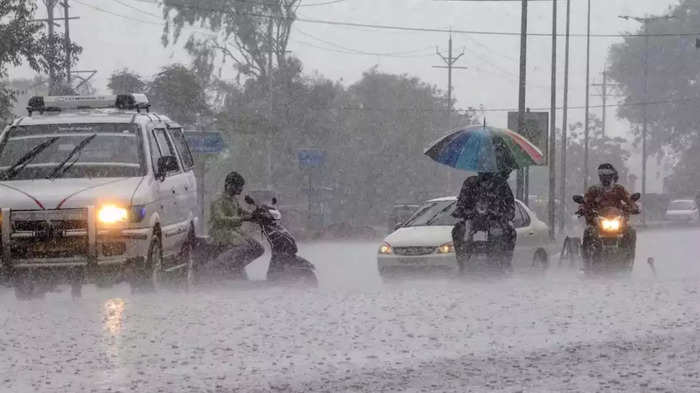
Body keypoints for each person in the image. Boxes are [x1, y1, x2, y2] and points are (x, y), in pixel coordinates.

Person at [451, 168, 516, 272]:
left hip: (495, 222)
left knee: (510, 232)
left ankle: (505, 262)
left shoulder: (501, 185)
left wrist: (502, 216)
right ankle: (462, 262)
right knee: (458, 230)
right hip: (472, 221)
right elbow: (461, 204)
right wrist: (466, 213)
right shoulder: (470, 183)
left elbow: (510, 207)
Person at [206, 171, 264, 278]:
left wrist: (256, 214)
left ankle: (235, 267)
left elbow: (241, 211)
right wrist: (242, 219)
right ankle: (216, 267)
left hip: (233, 231)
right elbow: (220, 219)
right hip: (220, 231)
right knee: (244, 246)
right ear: (229, 185)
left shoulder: (233, 199)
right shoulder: (218, 199)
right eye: (238, 186)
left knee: (258, 248)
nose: (241, 189)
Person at [580, 163, 639, 263]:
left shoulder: (619, 189)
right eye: (602, 174)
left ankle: (629, 259)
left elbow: (629, 200)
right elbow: (585, 201)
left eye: (607, 174)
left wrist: (634, 207)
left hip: (618, 221)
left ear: (613, 175)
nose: (604, 177)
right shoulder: (593, 190)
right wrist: (582, 208)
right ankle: (586, 261)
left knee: (630, 231)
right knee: (588, 232)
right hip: (597, 222)